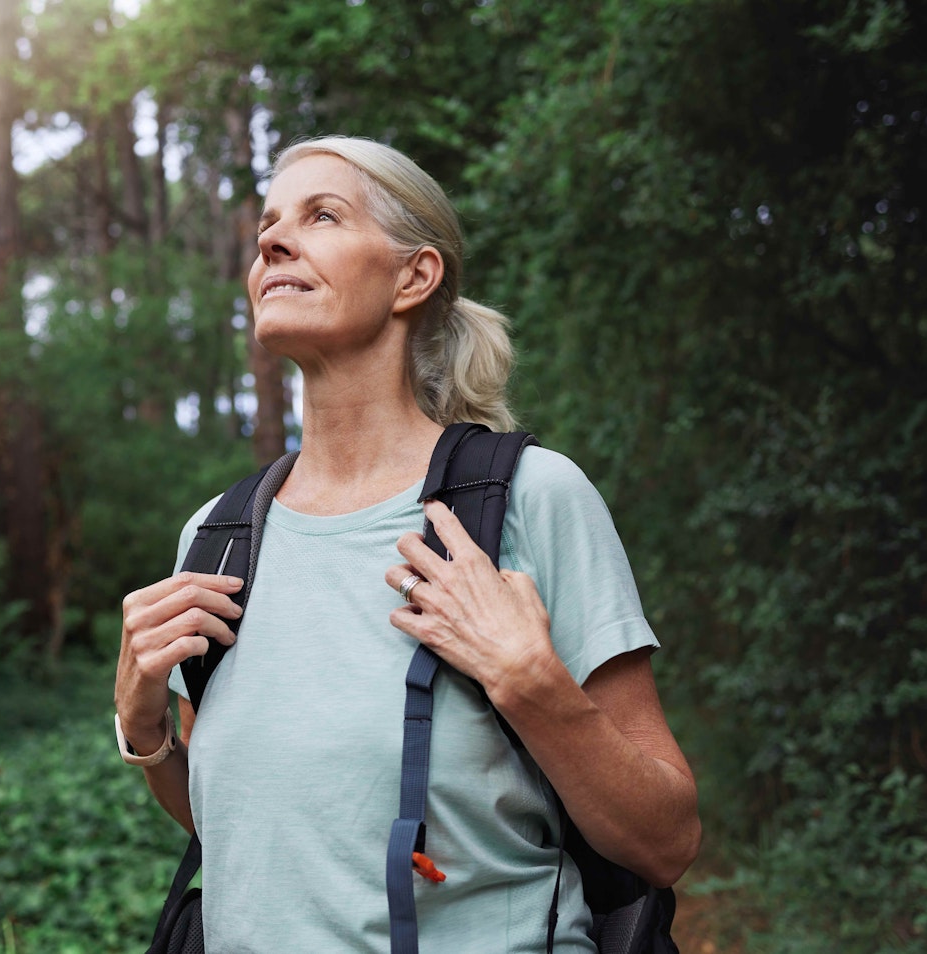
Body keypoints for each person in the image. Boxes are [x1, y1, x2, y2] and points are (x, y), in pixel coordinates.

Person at [114, 136, 701, 951]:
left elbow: (666, 842)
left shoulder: (527, 499)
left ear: (414, 277)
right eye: (268, 227)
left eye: (322, 216)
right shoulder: (218, 536)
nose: (271, 241)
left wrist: (529, 684)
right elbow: (257, 831)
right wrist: (143, 730)